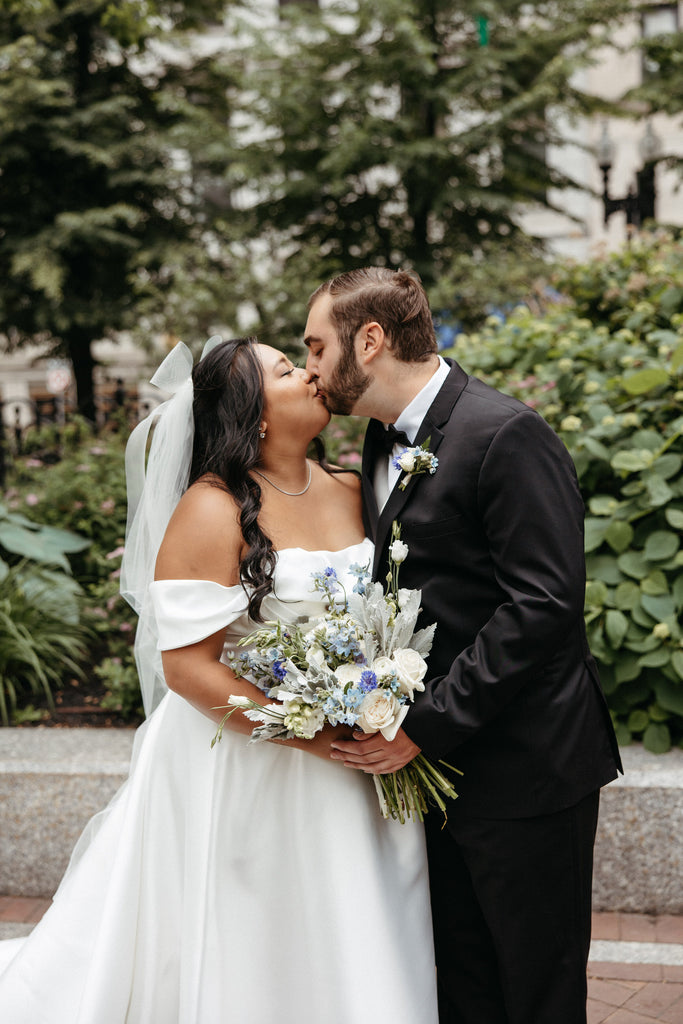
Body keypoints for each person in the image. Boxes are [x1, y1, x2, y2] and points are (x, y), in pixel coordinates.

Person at [0, 336, 438, 1023]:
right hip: (248, 757)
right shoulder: (212, 508)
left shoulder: (357, 487)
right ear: (254, 413)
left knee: (356, 911)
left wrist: (375, 694)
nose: (312, 375)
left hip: (358, 751)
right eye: (289, 369)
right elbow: (186, 667)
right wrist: (309, 732)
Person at [303, 268, 623, 1024]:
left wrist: (423, 727)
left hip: (525, 769)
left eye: (316, 346)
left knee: (535, 991)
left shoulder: (504, 433)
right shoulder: (379, 441)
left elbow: (542, 607)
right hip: (435, 777)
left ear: (370, 340)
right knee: (462, 986)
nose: (311, 365)